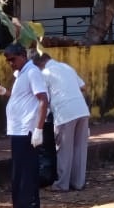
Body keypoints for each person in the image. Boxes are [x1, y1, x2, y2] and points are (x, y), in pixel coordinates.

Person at [0, 43, 48, 208]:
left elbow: (43, 99)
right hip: (19, 129)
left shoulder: (31, 72)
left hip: (26, 129)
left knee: (22, 172)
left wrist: (38, 128)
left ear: (23, 55)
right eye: (7, 61)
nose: (10, 64)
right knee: (27, 170)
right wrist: (5, 92)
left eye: (12, 59)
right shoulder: (23, 74)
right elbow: (23, 97)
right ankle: (33, 207)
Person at [33, 51, 90, 191]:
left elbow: (43, 99)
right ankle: (78, 183)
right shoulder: (66, 67)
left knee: (64, 150)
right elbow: (83, 86)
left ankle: (61, 184)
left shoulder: (45, 73)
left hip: (65, 113)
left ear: (40, 64)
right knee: (80, 149)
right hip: (82, 110)